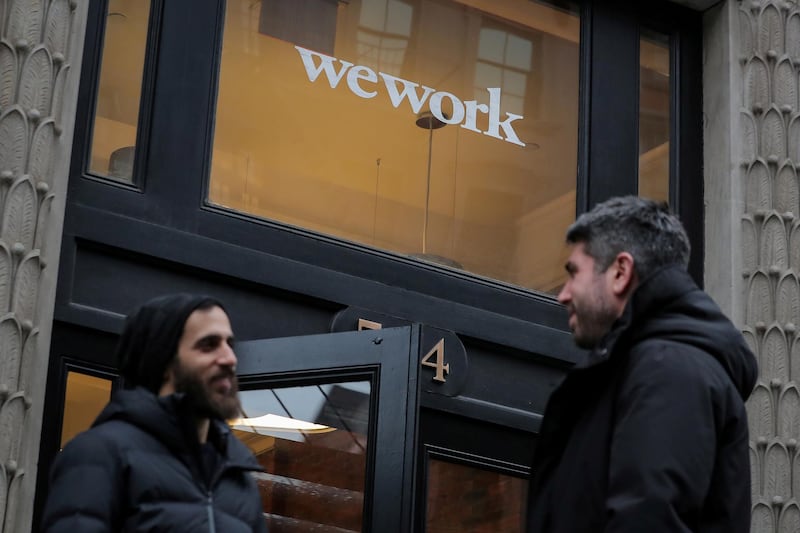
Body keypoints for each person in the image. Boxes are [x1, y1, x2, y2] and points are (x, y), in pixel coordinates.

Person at [527, 196, 758, 532]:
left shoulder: (669, 369)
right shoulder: (646, 368)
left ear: (620, 272)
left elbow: (649, 519)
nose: (562, 294)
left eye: (574, 273)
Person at [41, 293, 268, 532]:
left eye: (229, 345)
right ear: (165, 363)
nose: (229, 359)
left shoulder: (238, 476)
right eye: (208, 345)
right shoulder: (99, 453)